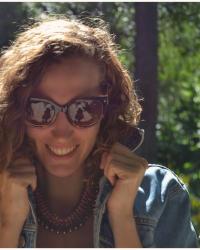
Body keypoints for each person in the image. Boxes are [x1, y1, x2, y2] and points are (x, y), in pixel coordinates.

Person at [0, 16, 198, 248]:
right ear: (16, 111)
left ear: (108, 109)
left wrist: (123, 217)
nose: (62, 133)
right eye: (41, 108)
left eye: (83, 109)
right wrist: (8, 224)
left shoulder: (160, 198)